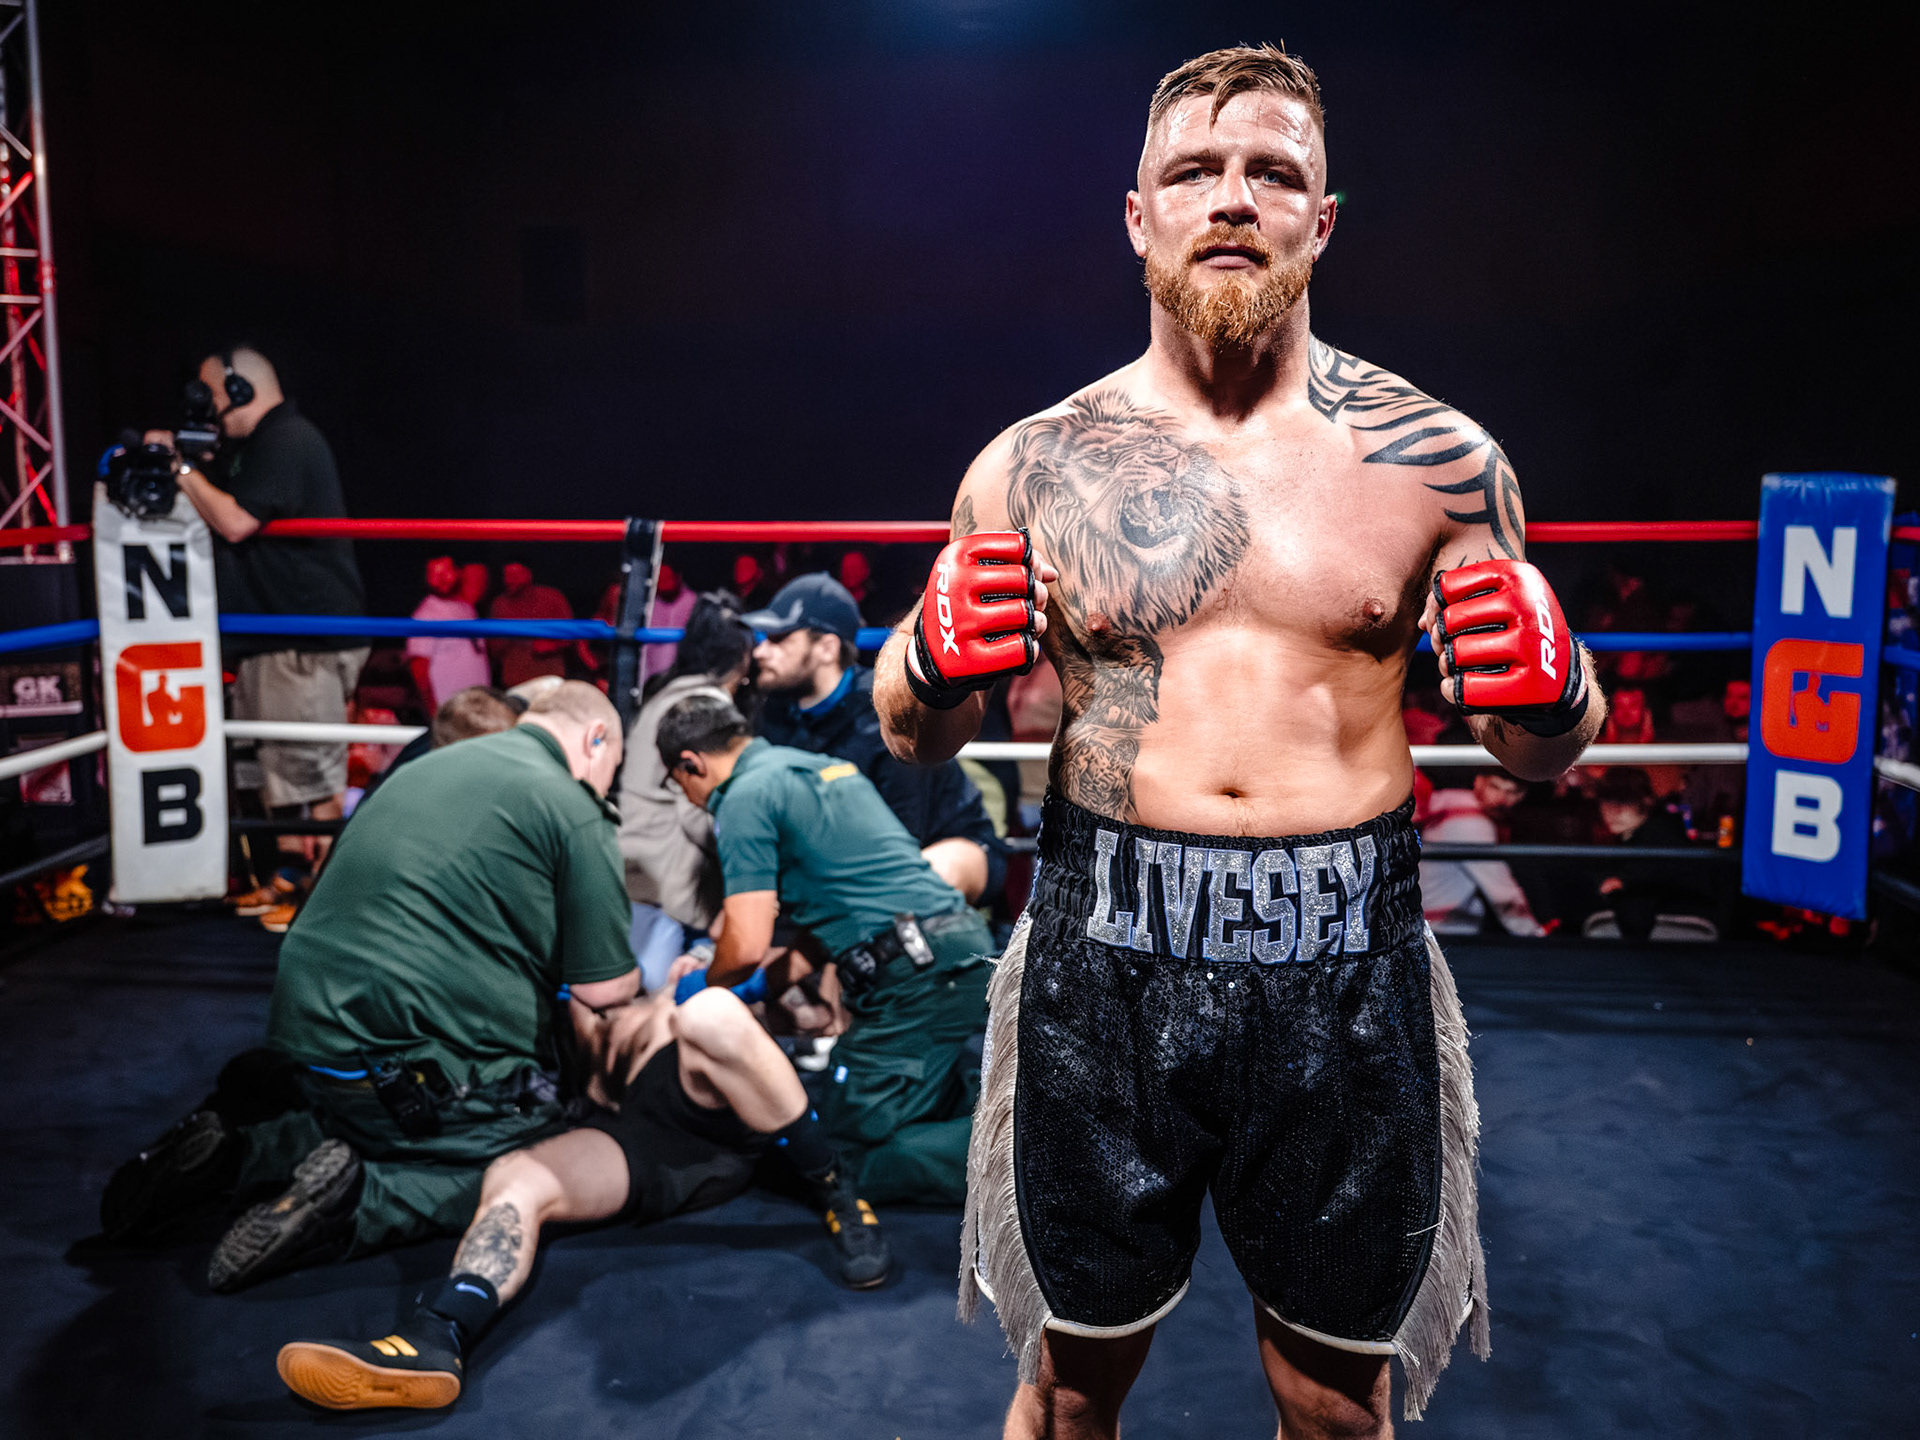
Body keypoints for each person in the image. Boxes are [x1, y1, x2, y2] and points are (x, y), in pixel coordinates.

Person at [870, 44, 1606, 1436]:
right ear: (1137, 216)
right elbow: (920, 729)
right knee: (1071, 1386)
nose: (1232, 198)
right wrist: (917, 658)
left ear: (1320, 222)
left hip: (1345, 961)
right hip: (1105, 953)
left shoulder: (1438, 461)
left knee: (1336, 1400)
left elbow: (1538, 751)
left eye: (1272, 172)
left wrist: (1564, 689)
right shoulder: (1029, 464)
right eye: (1194, 171)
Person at [100, 684, 632, 1288]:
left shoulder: (423, 763)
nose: (605, 784)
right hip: (416, 1061)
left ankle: (241, 1157)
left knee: (366, 1115)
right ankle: (361, 1204)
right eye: (610, 767)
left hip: (310, 1040)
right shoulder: (571, 804)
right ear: (596, 739)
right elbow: (605, 990)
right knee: (535, 1155)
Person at [270, 981, 890, 1412]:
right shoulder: (530, 984)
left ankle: (835, 1188)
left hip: (705, 1110)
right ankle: (439, 1334)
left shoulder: (661, 963)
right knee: (516, 1176)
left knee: (711, 1013)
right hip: (632, 1136)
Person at [661, 691, 995, 1206]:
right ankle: (1022, 1119)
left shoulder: (743, 796)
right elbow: (839, 915)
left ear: (691, 763)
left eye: (676, 783)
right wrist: (764, 985)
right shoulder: (825, 768)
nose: (685, 796)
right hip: (953, 946)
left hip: (912, 974)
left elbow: (745, 943)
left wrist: (701, 991)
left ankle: (1034, 1166)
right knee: (918, 1092)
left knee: (848, 1152)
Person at [155, 346, 368, 891]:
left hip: (303, 636)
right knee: (274, 766)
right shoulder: (255, 447)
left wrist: (180, 468)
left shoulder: (288, 439)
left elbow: (235, 521)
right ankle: (291, 876)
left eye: (212, 395)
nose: (207, 410)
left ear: (241, 389)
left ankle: (324, 890)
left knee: (310, 767)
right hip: (272, 634)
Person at [748, 572, 1005, 904]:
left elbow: (905, 838)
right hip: (840, 858)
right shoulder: (774, 713)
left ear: (826, 648)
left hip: (932, 846)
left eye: (778, 638)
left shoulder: (884, 714)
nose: (760, 651)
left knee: (915, 880)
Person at [616, 591, 755, 992]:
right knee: (672, 1014)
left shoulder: (667, 691)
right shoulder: (708, 709)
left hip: (638, 876)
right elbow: (698, 812)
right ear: (743, 656)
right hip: (672, 895)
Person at [1419, 772, 1546, 936]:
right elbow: (1501, 894)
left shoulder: (1452, 804)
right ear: (1478, 782)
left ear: (1523, 795)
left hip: (1433, 927)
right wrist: (1535, 936)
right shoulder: (1470, 821)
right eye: (1495, 787)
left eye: (1513, 792)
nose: (1501, 799)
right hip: (1445, 932)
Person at [406, 555, 491, 714]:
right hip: (451, 711)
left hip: (476, 706)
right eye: (435, 574)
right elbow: (419, 669)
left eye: (446, 572)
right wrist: (434, 712)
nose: (441, 580)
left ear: (458, 573)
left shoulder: (465, 607)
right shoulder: (427, 614)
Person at [487, 561, 573, 688]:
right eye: (507, 575)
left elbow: (572, 634)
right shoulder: (500, 604)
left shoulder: (551, 597)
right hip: (514, 680)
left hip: (549, 679)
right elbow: (493, 646)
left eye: (515, 575)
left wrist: (552, 645)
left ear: (528, 575)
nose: (510, 580)